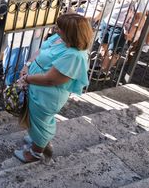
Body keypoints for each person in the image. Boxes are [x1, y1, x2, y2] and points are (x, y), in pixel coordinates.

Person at [15, 13, 92, 163]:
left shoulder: (74, 56)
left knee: (41, 122)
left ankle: (35, 152)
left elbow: (51, 80)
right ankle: (37, 139)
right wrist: (27, 65)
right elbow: (40, 51)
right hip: (36, 88)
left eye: (61, 27)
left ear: (71, 33)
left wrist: (26, 79)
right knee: (35, 119)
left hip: (46, 95)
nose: (56, 29)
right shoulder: (59, 40)